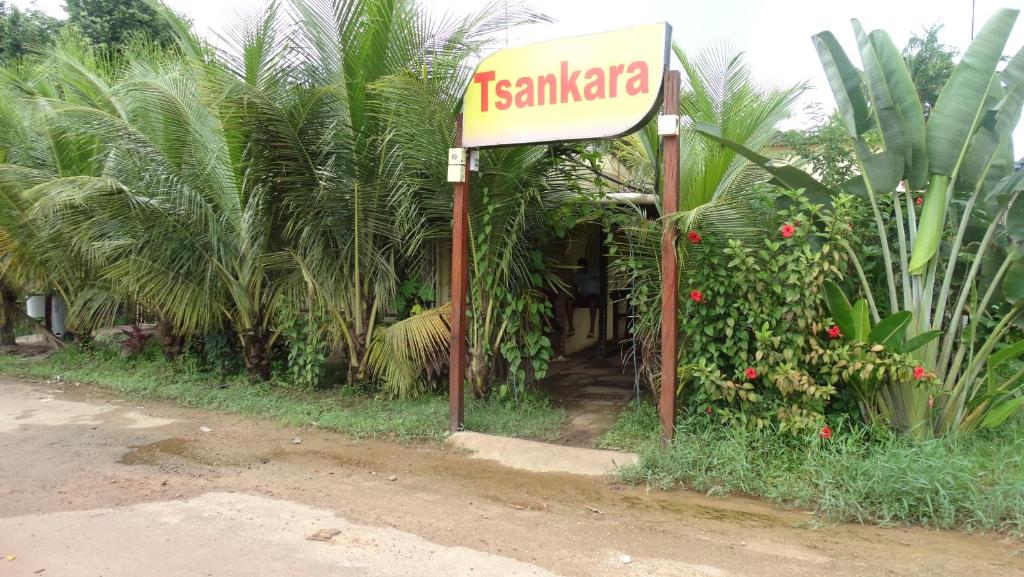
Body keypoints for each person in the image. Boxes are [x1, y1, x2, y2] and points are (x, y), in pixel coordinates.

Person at [569, 257, 600, 338]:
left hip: (595, 295)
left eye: (582, 266)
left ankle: (592, 328)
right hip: (584, 296)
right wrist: (577, 296)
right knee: (569, 302)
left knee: (592, 302)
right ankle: (571, 328)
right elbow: (575, 287)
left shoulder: (594, 271)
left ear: (586, 265)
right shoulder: (577, 274)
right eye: (579, 266)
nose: (581, 268)